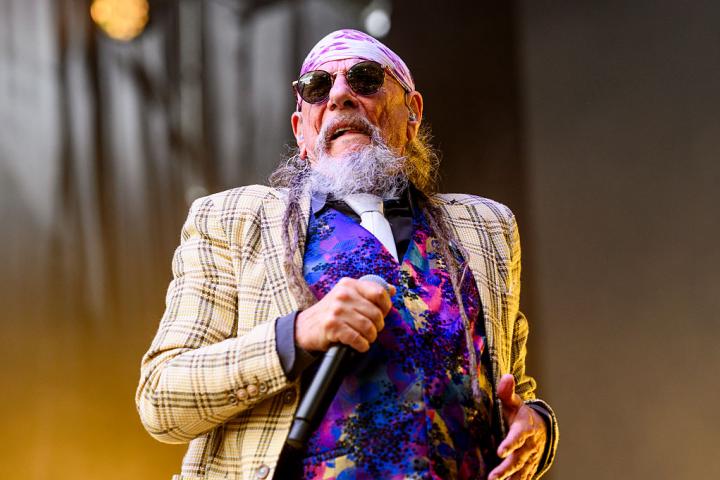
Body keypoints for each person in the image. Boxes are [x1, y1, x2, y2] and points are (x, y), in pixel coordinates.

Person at [136, 29, 558, 480]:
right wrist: (297, 333)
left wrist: (536, 428)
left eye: (365, 78)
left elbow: (512, 385)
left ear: (412, 113)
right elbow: (161, 399)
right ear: (301, 131)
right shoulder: (234, 219)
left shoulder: (485, 227)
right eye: (317, 87)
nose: (339, 95)